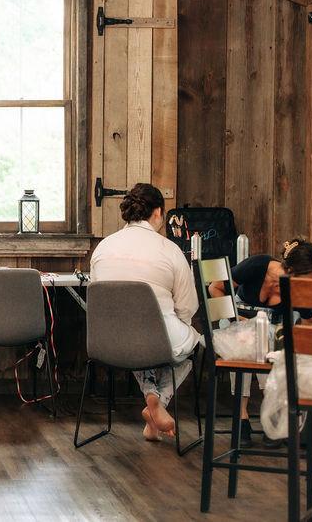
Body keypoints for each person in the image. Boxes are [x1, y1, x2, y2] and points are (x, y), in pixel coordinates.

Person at [90, 183, 201, 442]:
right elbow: (187, 307)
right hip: (153, 341)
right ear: (158, 212)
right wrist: (177, 325)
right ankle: (158, 402)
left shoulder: (103, 248)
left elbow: (97, 299)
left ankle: (152, 400)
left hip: (109, 342)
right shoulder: (169, 250)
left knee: (136, 342)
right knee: (190, 345)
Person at [207, 237, 312, 447]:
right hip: (237, 324)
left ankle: (272, 416)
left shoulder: (299, 290)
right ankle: (241, 416)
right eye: (307, 280)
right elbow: (215, 288)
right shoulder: (257, 265)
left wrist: (307, 351)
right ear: (291, 271)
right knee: (245, 342)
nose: (308, 286)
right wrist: (235, 319)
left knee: (271, 344)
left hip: (271, 332)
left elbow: (310, 323)